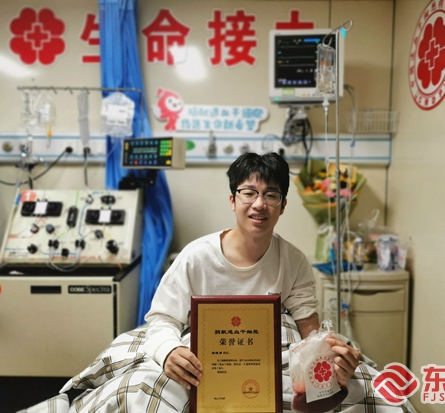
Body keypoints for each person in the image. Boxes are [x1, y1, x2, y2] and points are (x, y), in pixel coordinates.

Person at [142, 152, 361, 392]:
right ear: (233, 201)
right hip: (206, 365)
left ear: (283, 206)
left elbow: (309, 328)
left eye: (271, 195)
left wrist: (331, 358)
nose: (259, 204)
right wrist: (168, 351)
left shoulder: (293, 261)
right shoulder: (195, 258)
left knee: (355, 387)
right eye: (249, 193)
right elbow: (162, 319)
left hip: (270, 362)